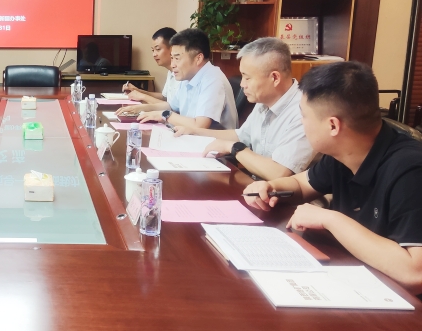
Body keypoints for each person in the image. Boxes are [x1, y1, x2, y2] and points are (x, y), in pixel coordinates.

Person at [243, 62, 422, 294]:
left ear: (333, 126)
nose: (301, 123)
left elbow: (415, 272)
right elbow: (300, 185)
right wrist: (270, 187)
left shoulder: (410, 170)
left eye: (303, 115)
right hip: (357, 279)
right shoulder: (344, 152)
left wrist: (331, 219)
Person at [173, 37, 315, 180]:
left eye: (247, 78)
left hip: (283, 192)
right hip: (256, 185)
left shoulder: (304, 111)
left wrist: (233, 148)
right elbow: (241, 135)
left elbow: (279, 173)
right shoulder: (265, 100)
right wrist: (195, 132)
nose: (242, 84)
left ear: (274, 78)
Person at [119, 28, 238, 129]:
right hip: (190, 138)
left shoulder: (213, 80)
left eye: (177, 58)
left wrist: (164, 115)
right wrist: (139, 108)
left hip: (212, 146)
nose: (173, 64)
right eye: (172, 58)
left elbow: (200, 126)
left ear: (198, 58)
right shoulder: (188, 76)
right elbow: (171, 106)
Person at [121, 27, 178, 104]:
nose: (154, 54)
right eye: (153, 50)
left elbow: (172, 107)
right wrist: (137, 91)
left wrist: (142, 96)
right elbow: (164, 97)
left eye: (158, 49)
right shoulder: (170, 72)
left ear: (172, 49)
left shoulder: (182, 75)